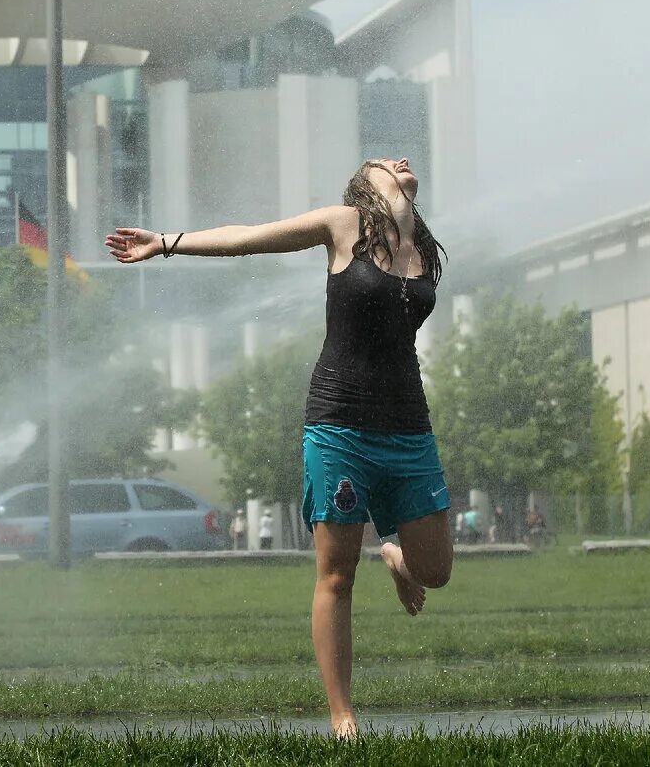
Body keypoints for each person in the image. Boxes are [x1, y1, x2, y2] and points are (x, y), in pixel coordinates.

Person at [106, 157, 452, 739]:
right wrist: (165, 242)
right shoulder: (344, 225)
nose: (399, 163)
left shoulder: (423, 247)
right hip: (339, 423)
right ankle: (343, 716)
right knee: (336, 575)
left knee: (436, 572)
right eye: (382, 163)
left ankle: (393, 555)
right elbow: (247, 238)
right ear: (364, 185)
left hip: (409, 428)